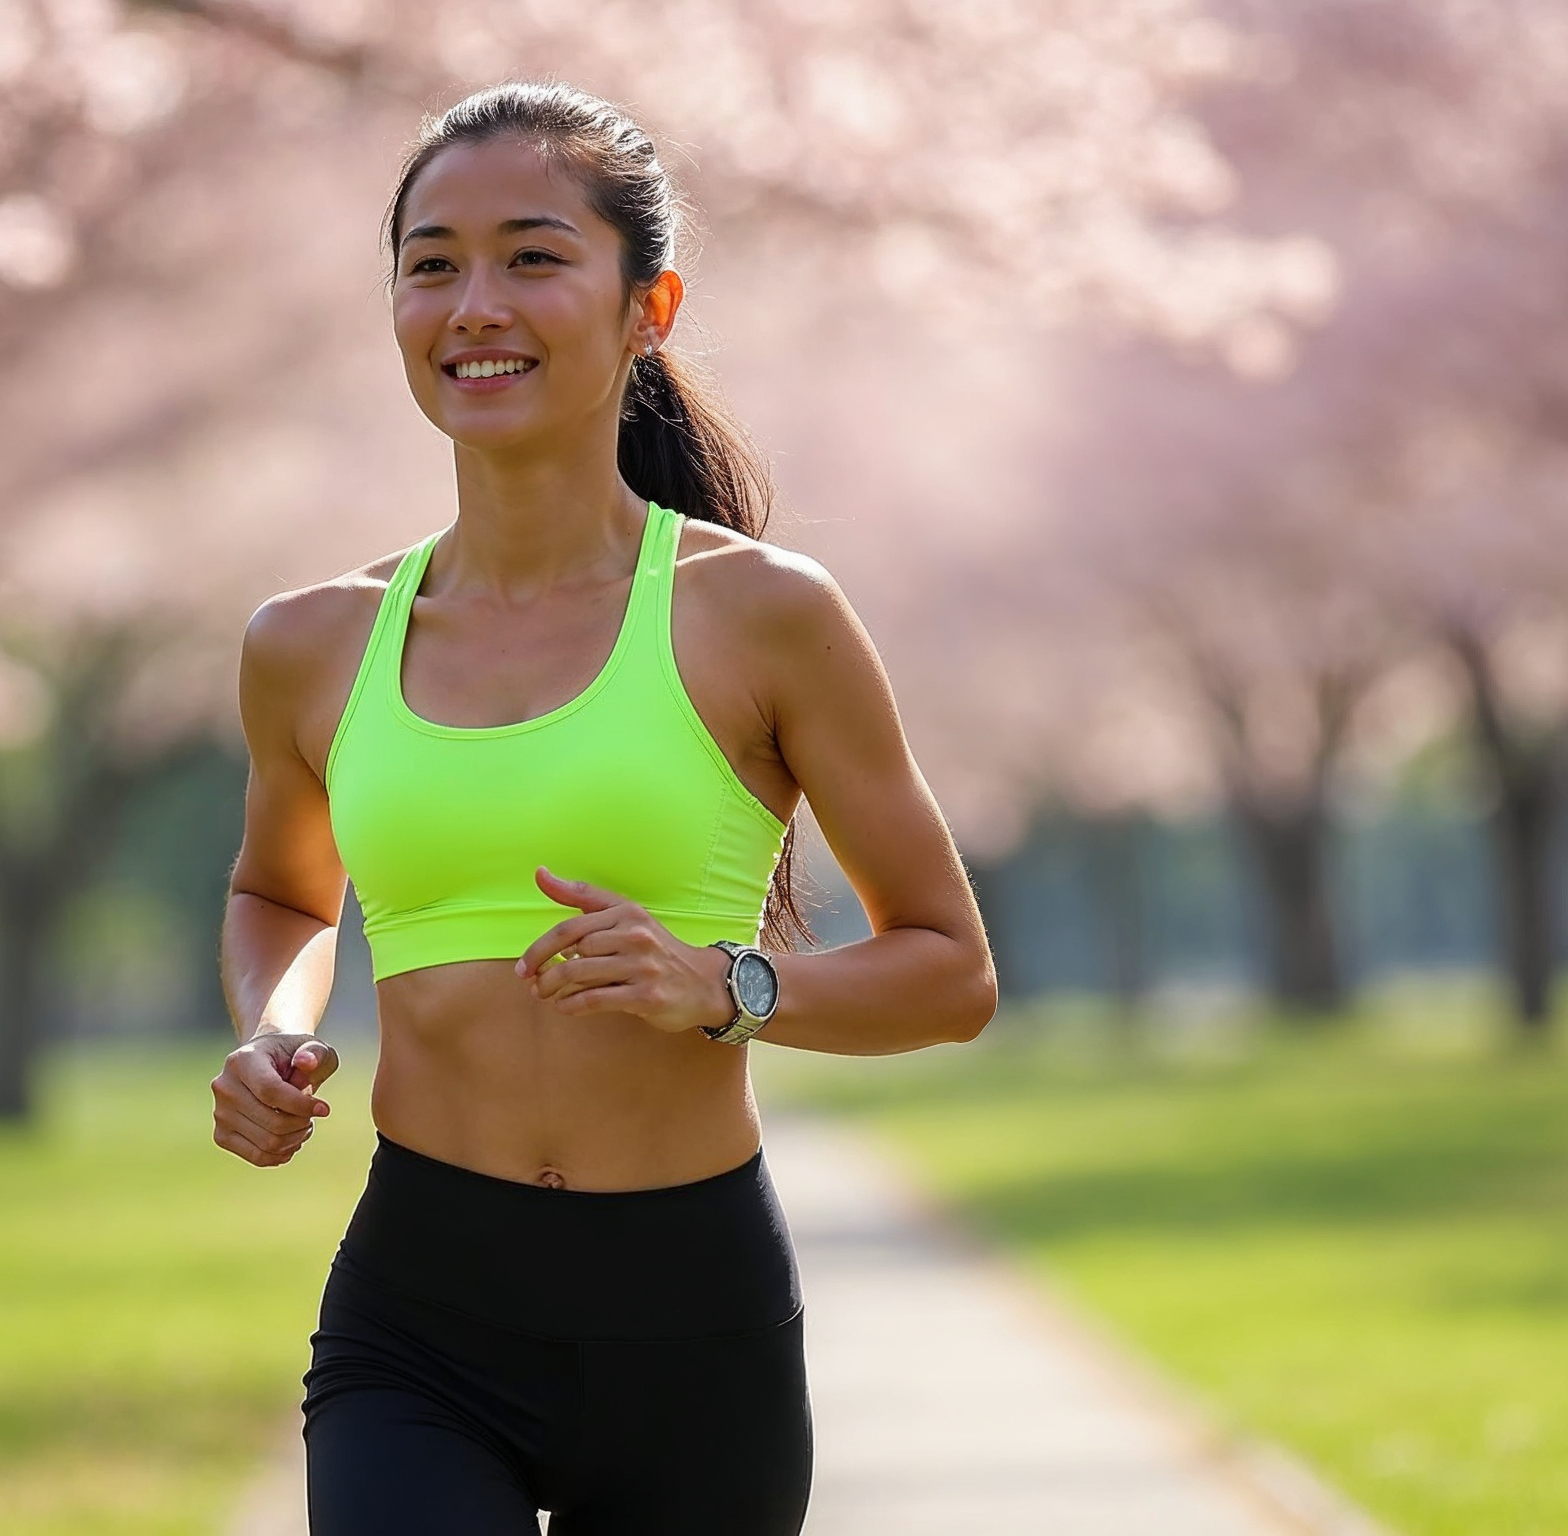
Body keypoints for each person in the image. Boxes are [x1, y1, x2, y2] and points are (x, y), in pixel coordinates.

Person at [212, 81, 998, 1536]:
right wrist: (270, 1027)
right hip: (419, 1320)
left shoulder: (762, 615)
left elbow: (951, 972)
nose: (476, 307)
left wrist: (728, 985)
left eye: (533, 256)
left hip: (691, 1330)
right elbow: (279, 893)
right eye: (433, 265)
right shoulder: (312, 642)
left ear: (650, 307)